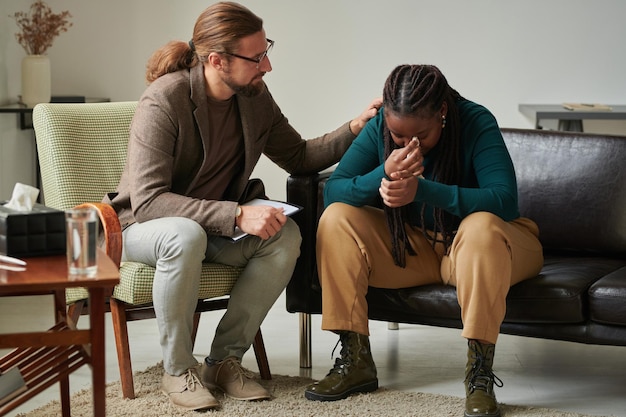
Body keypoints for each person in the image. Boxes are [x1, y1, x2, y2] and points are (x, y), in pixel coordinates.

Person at [104, 2, 381, 411]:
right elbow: (148, 200)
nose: (267, 66)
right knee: (184, 233)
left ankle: (224, 360)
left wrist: (355, 127)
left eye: (266, 51)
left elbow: (300, 155)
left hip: (207, 231)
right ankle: (178, 370)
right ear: (217, 60)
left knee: (283, 235)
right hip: (142, 230)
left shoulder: (253, 97)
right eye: (257, 57)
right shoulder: (164, 100)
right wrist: (235, 214)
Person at [304, 64, 544, 417]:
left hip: (481, 250)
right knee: (337, 218)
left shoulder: (476, 122)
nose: (408, 144)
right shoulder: (380, 128)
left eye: (420, 135)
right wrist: (382, 173)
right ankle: (355, 361)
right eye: (397, 136)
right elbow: (335, 190)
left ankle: (479, 374)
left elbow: (504, 200)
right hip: (415, 251)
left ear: (443, 112)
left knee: (481, 227)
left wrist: (424, 190)